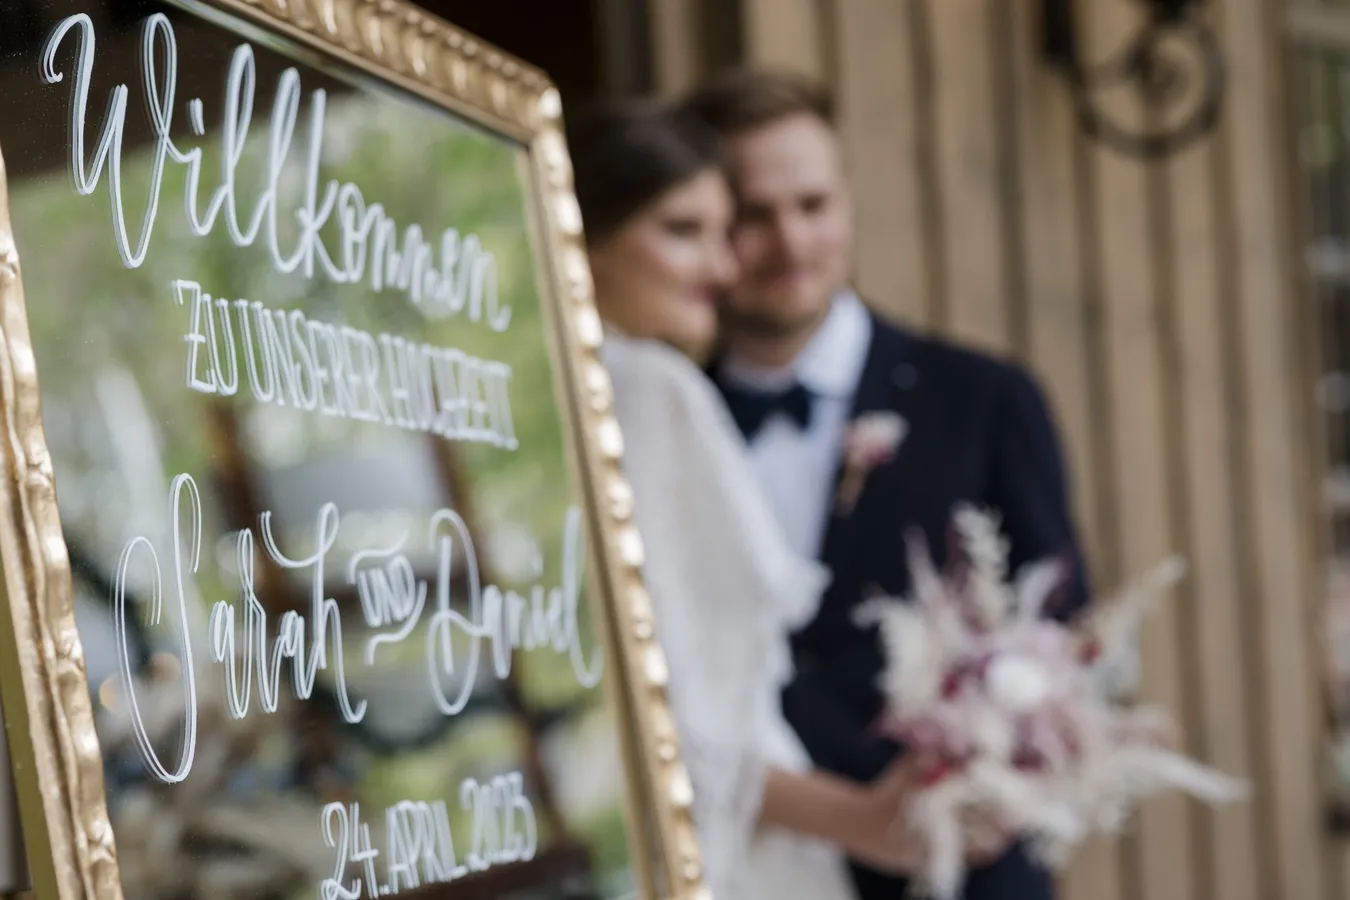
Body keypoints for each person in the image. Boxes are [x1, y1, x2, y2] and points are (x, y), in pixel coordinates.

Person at [679, 69, 1091, 900]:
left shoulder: (982, 399)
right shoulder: (672, 425)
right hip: (752, 869)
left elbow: (1062, 633)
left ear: (848, 203)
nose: (792, 242)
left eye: (814, 206)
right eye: (755, 216)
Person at [566, 100, 921, 900]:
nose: (725, 269)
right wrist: (862, 818)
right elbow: (681, 726)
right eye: (682, 231)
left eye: (722, 235)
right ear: (581, 236)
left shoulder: (594, 396)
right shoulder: (651, 389)